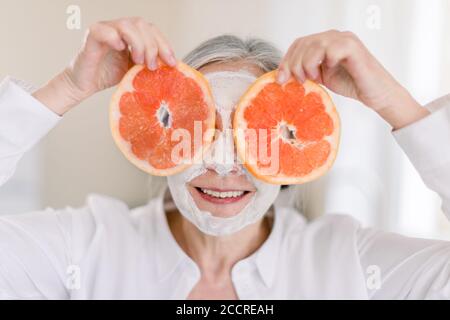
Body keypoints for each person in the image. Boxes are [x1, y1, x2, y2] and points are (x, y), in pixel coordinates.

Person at [0, 17, 449, 299]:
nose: (222, 162)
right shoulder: (85, 248)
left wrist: (396, 104)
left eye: (252, 135)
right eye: (202, 128)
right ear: (163, 139)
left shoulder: (350, 264)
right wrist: (67, 88)